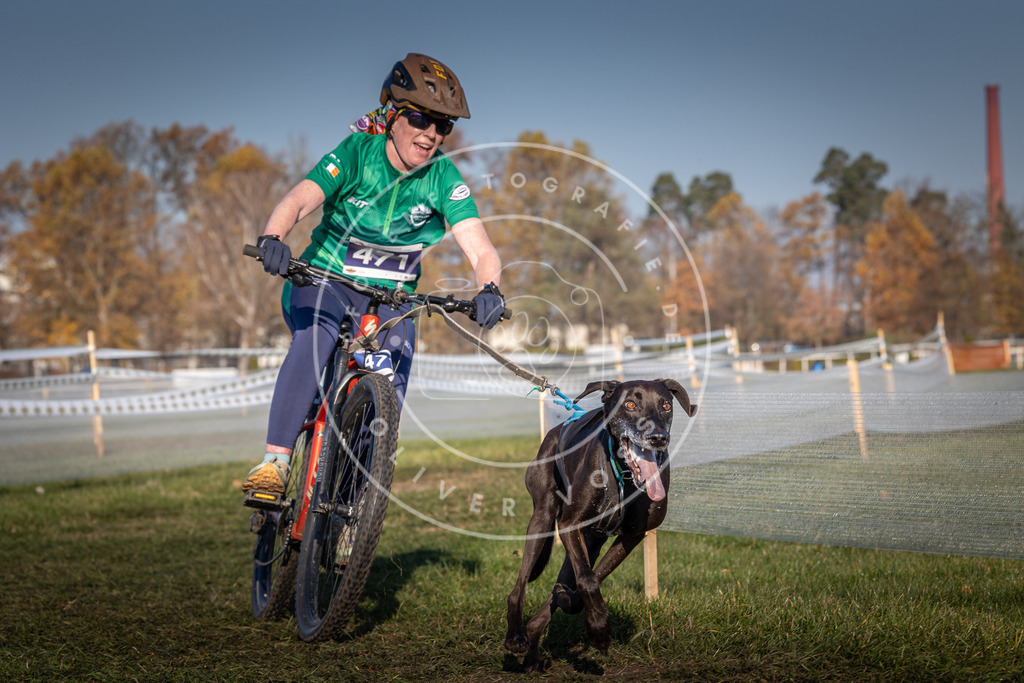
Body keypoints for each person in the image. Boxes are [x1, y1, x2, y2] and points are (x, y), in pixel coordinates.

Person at [243, 53, 504, 495]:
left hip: (391, 300)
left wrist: (490, 287)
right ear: (393, 115)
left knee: (389, 383)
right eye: (422, 118)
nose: (431, 134)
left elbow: (480, 248)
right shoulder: (357, 153)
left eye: (443, 126)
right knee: (316, 341)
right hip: (323, 280)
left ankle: (349, 509)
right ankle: (276, 463)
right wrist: (274, 236)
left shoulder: (443, 176)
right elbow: (299, 199)